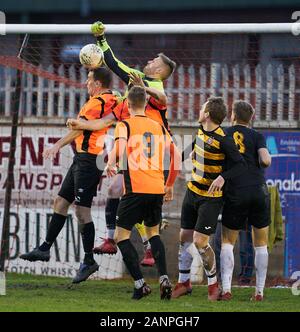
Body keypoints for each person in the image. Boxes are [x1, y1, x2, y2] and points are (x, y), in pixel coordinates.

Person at [20, 67, 118, 284]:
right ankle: (45, 248)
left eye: (89, 80)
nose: (86, 83)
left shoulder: (95, 102)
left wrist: (56, 145)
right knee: (60, 202)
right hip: (82, 159)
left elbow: (79, 129)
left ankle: (89, 261)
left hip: (89, 161)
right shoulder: (113, 98)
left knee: (82, 211)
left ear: (98, 84)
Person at [67, 73, 173, 266]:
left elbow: (164, 100)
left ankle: (148, 247)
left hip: (152, 161)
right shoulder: (124, 106)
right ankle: (111, 240)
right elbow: (102, 123)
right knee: (114, 190)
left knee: (134, 200)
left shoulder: (153, 105)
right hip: (131, 158)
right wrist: (81, 124)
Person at [105, 85, 181, 300]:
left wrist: (110, 163)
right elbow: (176, 157)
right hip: (156, 188)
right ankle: (164, 278)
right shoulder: (158, 125)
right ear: (146, 104)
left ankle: (141, 285)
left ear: (128, 105)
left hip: (135, 189)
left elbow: (119, 149)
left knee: (121, 236)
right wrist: (169, 183)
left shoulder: (125, 125)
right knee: (153, 233)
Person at [172, 97, 246, 301]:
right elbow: (194, 146)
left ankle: (213, 285)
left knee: (199, 241)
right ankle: (183, 282)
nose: (199, 109)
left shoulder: (224, 140)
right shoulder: (201, 130)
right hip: (192, 192)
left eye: (202, 108)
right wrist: (178, 158)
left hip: (210, 198)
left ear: (207, 115)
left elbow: (240, 165)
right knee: (184, 237)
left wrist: (223, 177)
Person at [219, 100, 271, 301]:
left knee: (227, 243)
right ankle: (259, 292)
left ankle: (226, 290)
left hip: (235, 191)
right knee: (260, 244)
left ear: (232, 115)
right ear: (252, 118)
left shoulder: (224, 134)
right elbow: (265, 160)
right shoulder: (258, 136)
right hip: (258, 191)